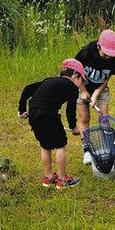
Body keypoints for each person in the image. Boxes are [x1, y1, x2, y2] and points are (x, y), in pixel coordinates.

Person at [18, 58, 88, 189]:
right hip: (48, 114)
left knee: (45, 145)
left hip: (33, 113)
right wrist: (74, 127)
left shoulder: (49, 80)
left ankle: (48, 177)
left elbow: (27, 89)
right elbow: (70, 111)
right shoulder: (72, 87)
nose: (81, 84)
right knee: (60, 145)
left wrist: (22, 109)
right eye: (82, 81)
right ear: (75, 76)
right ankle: (62, 180)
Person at [74, 30, 115, 163]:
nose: (108, 56)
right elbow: (75, 75)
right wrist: (84, 91)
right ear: (98, 46)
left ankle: (108, 147)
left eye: (110, 54)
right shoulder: (85, 53)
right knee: (84, 118)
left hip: (101, 88)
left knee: (103, 119)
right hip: (82, 85)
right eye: (105, 53)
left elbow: (107, 78)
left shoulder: (113, 59)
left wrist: (96, 93)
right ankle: (87, 151)